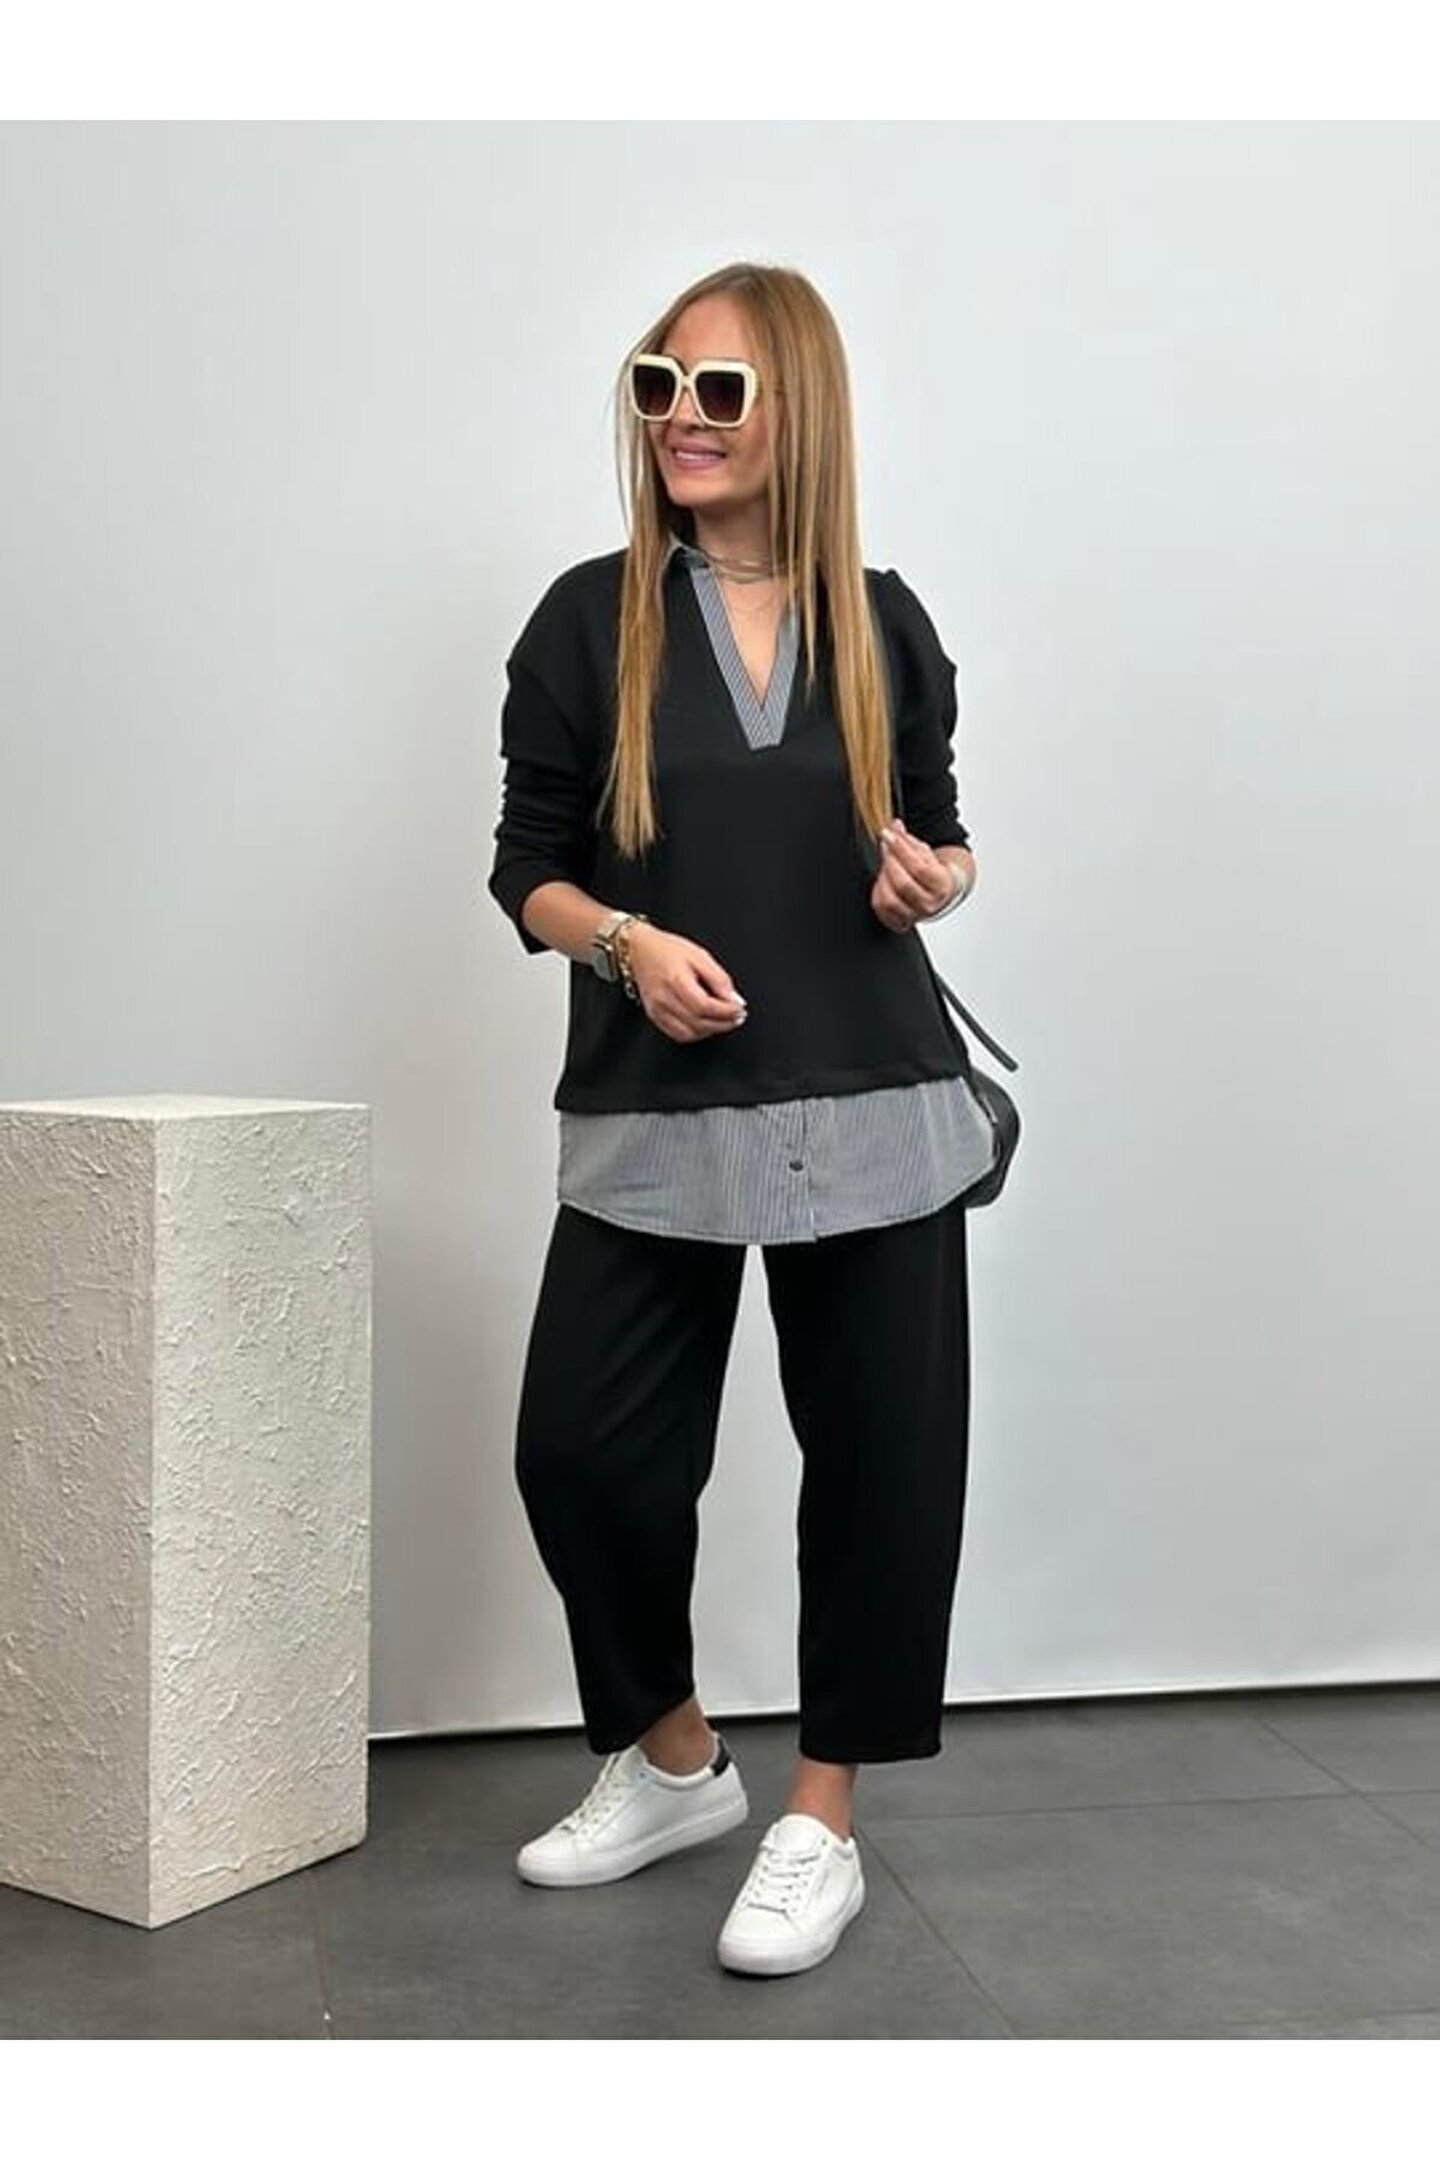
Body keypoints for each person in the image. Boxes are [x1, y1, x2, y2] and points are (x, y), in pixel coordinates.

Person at [486, 261, 993, 1979]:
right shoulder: (588, 620)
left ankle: (821, 1818)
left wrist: (936, 878)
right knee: (581, 1452)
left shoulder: (886, 622)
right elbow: (527, 869)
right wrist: (622, 945)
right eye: (658, 384)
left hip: (877, 1104)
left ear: (801, 412)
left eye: (719, 390)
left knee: (882, 1471)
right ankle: (676, 1759)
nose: (680, 419)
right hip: (656, 1110)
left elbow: (941, 829)